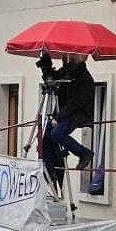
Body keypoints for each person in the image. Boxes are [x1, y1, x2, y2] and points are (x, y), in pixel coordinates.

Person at [37, 52, 96, 190]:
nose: (66, 58)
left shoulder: (85, 79)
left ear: (82, 58)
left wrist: (58, 117)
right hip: (65, 112)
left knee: (57, 133)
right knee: (46, 135)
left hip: (78, 113)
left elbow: (76, 103)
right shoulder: (66, 71)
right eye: (65, 56)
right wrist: (46, 67)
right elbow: (52, 79)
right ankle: (49, 170)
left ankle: (83, 152)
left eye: (71, 56)